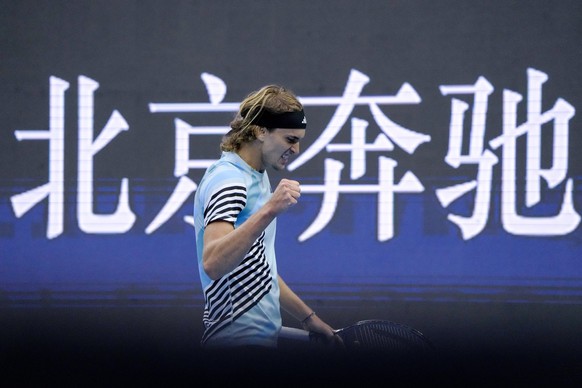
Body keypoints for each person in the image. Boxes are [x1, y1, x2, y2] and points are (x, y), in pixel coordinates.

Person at [193, 84, 338, 349]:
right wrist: (269, 209)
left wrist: (308, 318)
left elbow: (259, 269)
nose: (296, 150)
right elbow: (213, 263)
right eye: (290, 140)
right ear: (260, 131)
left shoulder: (254, 176)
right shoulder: (230, 180)